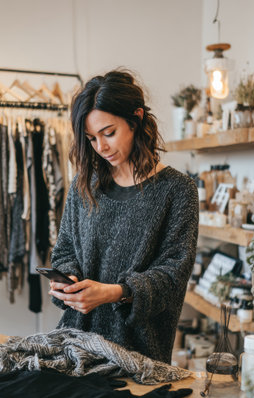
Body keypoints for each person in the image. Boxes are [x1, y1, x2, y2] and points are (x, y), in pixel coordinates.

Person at [49, 70, 198, 364]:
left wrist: (115, 293)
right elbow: (64, 249)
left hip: (138, 356)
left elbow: (172, 277)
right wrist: (67, 282)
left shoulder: (177, 190)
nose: (101, 147)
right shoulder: (85, 184)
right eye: (91, 139)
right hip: (75, 345)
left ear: (136, 118)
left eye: (109, 133)